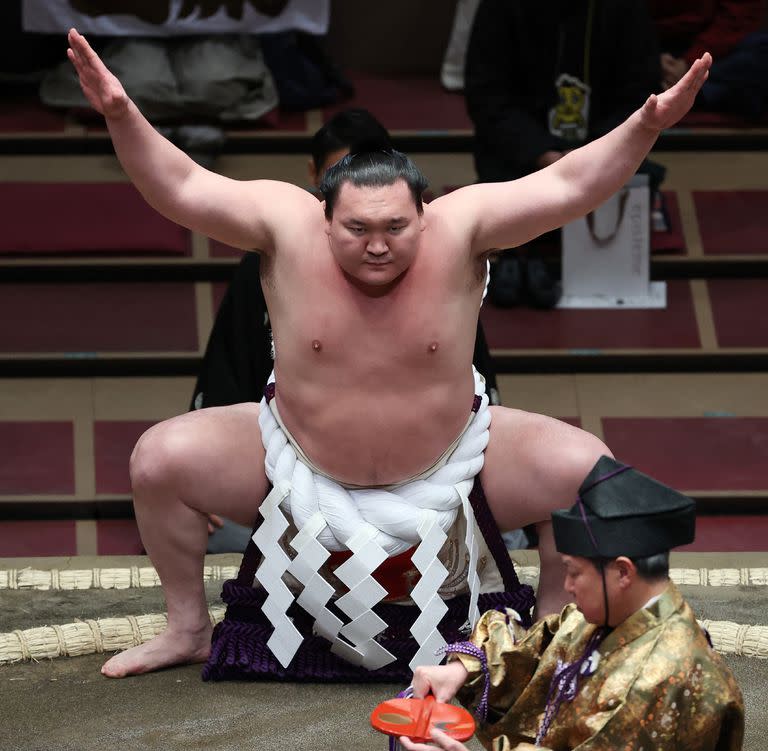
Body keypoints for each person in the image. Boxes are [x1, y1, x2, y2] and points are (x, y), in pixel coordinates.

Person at [66, 27, 711, 680]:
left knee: (585, 473)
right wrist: (122, 113)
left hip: (458, 456)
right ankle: (187, 626)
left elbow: (571, 183)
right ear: (324, 215)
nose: (377, 245)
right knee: (158, 460)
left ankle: (543, 637)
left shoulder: (463, 227)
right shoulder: (285, 226)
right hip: (296, 457)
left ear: (423, 215)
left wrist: (643, 126)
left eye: (395, 228)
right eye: (357, 229)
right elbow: (180, 183)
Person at [196, 107, 502, 554]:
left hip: (431, 478)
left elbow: (467, 377)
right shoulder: (274, 258)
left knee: (503, 523)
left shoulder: (444, 261)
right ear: (318, 184)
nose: (375, 244)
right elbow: (227, 369)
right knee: (213, 519)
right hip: (291, 469)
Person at [402, 457, 744, 751]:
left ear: (623, 572)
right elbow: (543, 643)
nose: (566, 587)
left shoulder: (661, 680)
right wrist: (461, 669)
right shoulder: (614, 613)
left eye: (575, 573)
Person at [464, 0, 662, 307]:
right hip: (524, 154)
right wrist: (543, 154)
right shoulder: (501, 7)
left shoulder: (626, 8)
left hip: (602, 147)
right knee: (501, 157)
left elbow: (640, 95)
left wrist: (592, 151)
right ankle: (514, 254)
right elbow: (486, 93)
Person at [649, 0, 767, 118]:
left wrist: (689, 63)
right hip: (651, 50)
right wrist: (652, 58)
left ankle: (689, 93)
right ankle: (694, 93)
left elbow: (738, 19)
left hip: (717, 51)